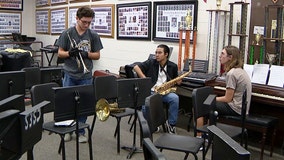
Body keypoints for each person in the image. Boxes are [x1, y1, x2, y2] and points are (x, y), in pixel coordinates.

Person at [57, 6, 103, 143]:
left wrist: (86, 54)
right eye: (84, 22)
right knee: (67, 103)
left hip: (85, 75)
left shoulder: (93, 35)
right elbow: (60, 53)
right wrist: (69, 53)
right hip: (70, 74)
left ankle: (80, 131)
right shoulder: (67, 33)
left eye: (89, 22)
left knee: (83, 104)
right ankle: (67, 130)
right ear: (77, 18)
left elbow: (97, 55)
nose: (87, 25)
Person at [196, 45, 252, 138]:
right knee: (208, 102)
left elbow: (227, 98)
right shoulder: (240, 70)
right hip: (242, 108)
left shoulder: (232, 73)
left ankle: (200, 137)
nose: (220, 56)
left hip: (235, 109)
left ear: (230, 57)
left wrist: (212, 99)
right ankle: (208, 133)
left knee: (202, 104)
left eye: (222, 54)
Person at [133, 44, 180, 134]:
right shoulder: (151, 62)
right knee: (146, 103)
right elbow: (136, 67)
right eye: (156, 52)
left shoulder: (173, 66)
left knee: (175, 98)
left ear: (166, 54)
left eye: (159, 53)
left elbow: (176, 81)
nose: (156, 55)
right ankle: (151, 124)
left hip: (165, 92)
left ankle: (171, 124)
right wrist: (144, 78)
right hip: (152, 91)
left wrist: (178, 81)